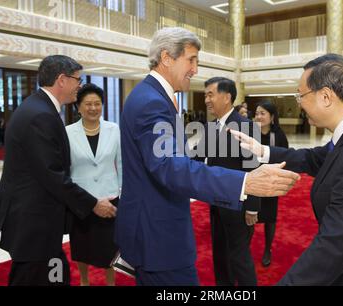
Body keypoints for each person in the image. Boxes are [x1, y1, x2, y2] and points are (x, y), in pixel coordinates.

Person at [115, 27, 300, 286]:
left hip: (155, 228)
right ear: (167, 58)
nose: (195, 69)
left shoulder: (151, 97)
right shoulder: (152, 102)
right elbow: (169, 166)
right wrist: (244, 183)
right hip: (159, 234)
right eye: (191, 60)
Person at [230, 53, 343, 285]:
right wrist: (263, 150)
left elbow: (333, 246)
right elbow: (316, 158)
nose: (299, 103)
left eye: (301, 95)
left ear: (326, 96)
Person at [0, 55, 117, 286]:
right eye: (78, 79)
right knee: (46, 276)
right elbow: (52, 176)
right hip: (34, 225)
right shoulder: (41, 115)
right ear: (62, 80)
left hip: (36, 224)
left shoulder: (38, 107)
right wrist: (93, 204)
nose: (80, 85)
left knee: (51, 276)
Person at [194, 77, 260, 286]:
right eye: (205, 95)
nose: (206, 100)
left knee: (239, 258)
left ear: (227, 97)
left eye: (210, 94)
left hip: (239, 206)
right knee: (220, 256)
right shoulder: (211, 126)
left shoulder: (246, 127)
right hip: (216, 203)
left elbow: (254, 168)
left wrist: (253, 208)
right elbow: (196, 156)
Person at [66, 83, 121, 286]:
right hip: (81, 200)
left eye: (97, 103)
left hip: (110, 197)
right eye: (87, 104)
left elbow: (122, 164)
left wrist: (121, 192)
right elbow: (66, 168)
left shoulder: (114, 129)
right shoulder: (67, 132)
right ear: (78, 107)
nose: (93, 108)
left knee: (110, 246)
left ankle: (110, 282)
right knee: (82, 246)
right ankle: (84, 280)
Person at [253, 101, 288, 267]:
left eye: (263, 113)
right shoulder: (250, 133)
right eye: (257, 113)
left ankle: (268, 249)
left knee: (269, 217)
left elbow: (285, 157)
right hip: (253, 180)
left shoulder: (279, 135)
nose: (258, 116)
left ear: (272, 117)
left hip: (271, 181)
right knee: (250, 215)